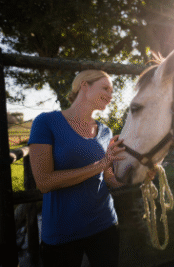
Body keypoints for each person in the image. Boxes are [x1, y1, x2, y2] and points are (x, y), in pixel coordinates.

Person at [28, 70, 126, 267]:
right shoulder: (46, 122)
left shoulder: (106, 131)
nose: (110, 95)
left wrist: (138, 175)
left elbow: (108, 178)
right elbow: (44, 182)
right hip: (62, 234)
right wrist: (100, 164)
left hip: (105, 225)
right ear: (84, 86)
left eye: (112, 91)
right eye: (105, 88)